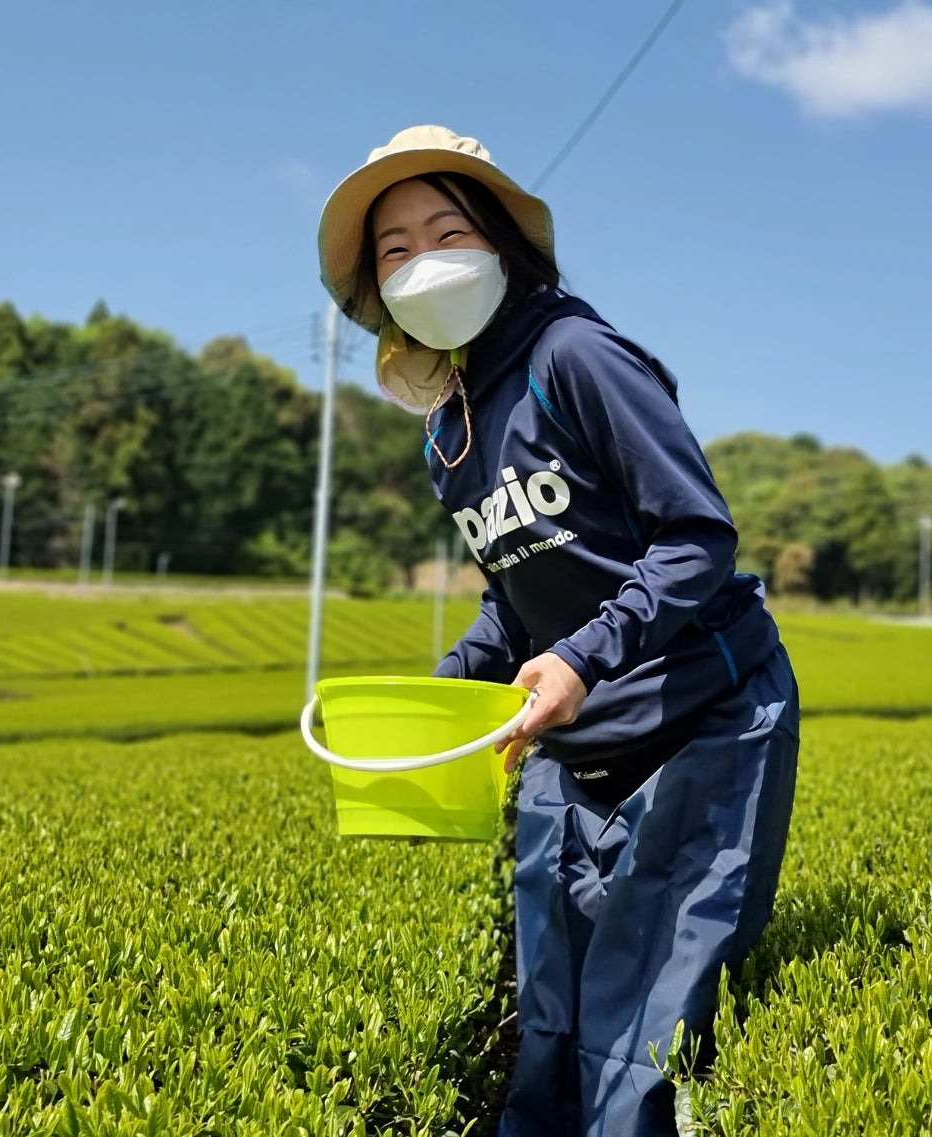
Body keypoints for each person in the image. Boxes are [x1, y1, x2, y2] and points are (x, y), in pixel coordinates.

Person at [318, 125, 799, 1137]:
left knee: (636, 1029)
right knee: (553, 1020)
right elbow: (517, 590)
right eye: (395, 248)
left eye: (448, 229)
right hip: (577, 737)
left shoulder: (574, 356)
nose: (424, 258)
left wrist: (583, 656)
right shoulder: (449, 433)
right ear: (377, 287)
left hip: (701, 715)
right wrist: (443, 692)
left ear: (503, 244)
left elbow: (696, 537)